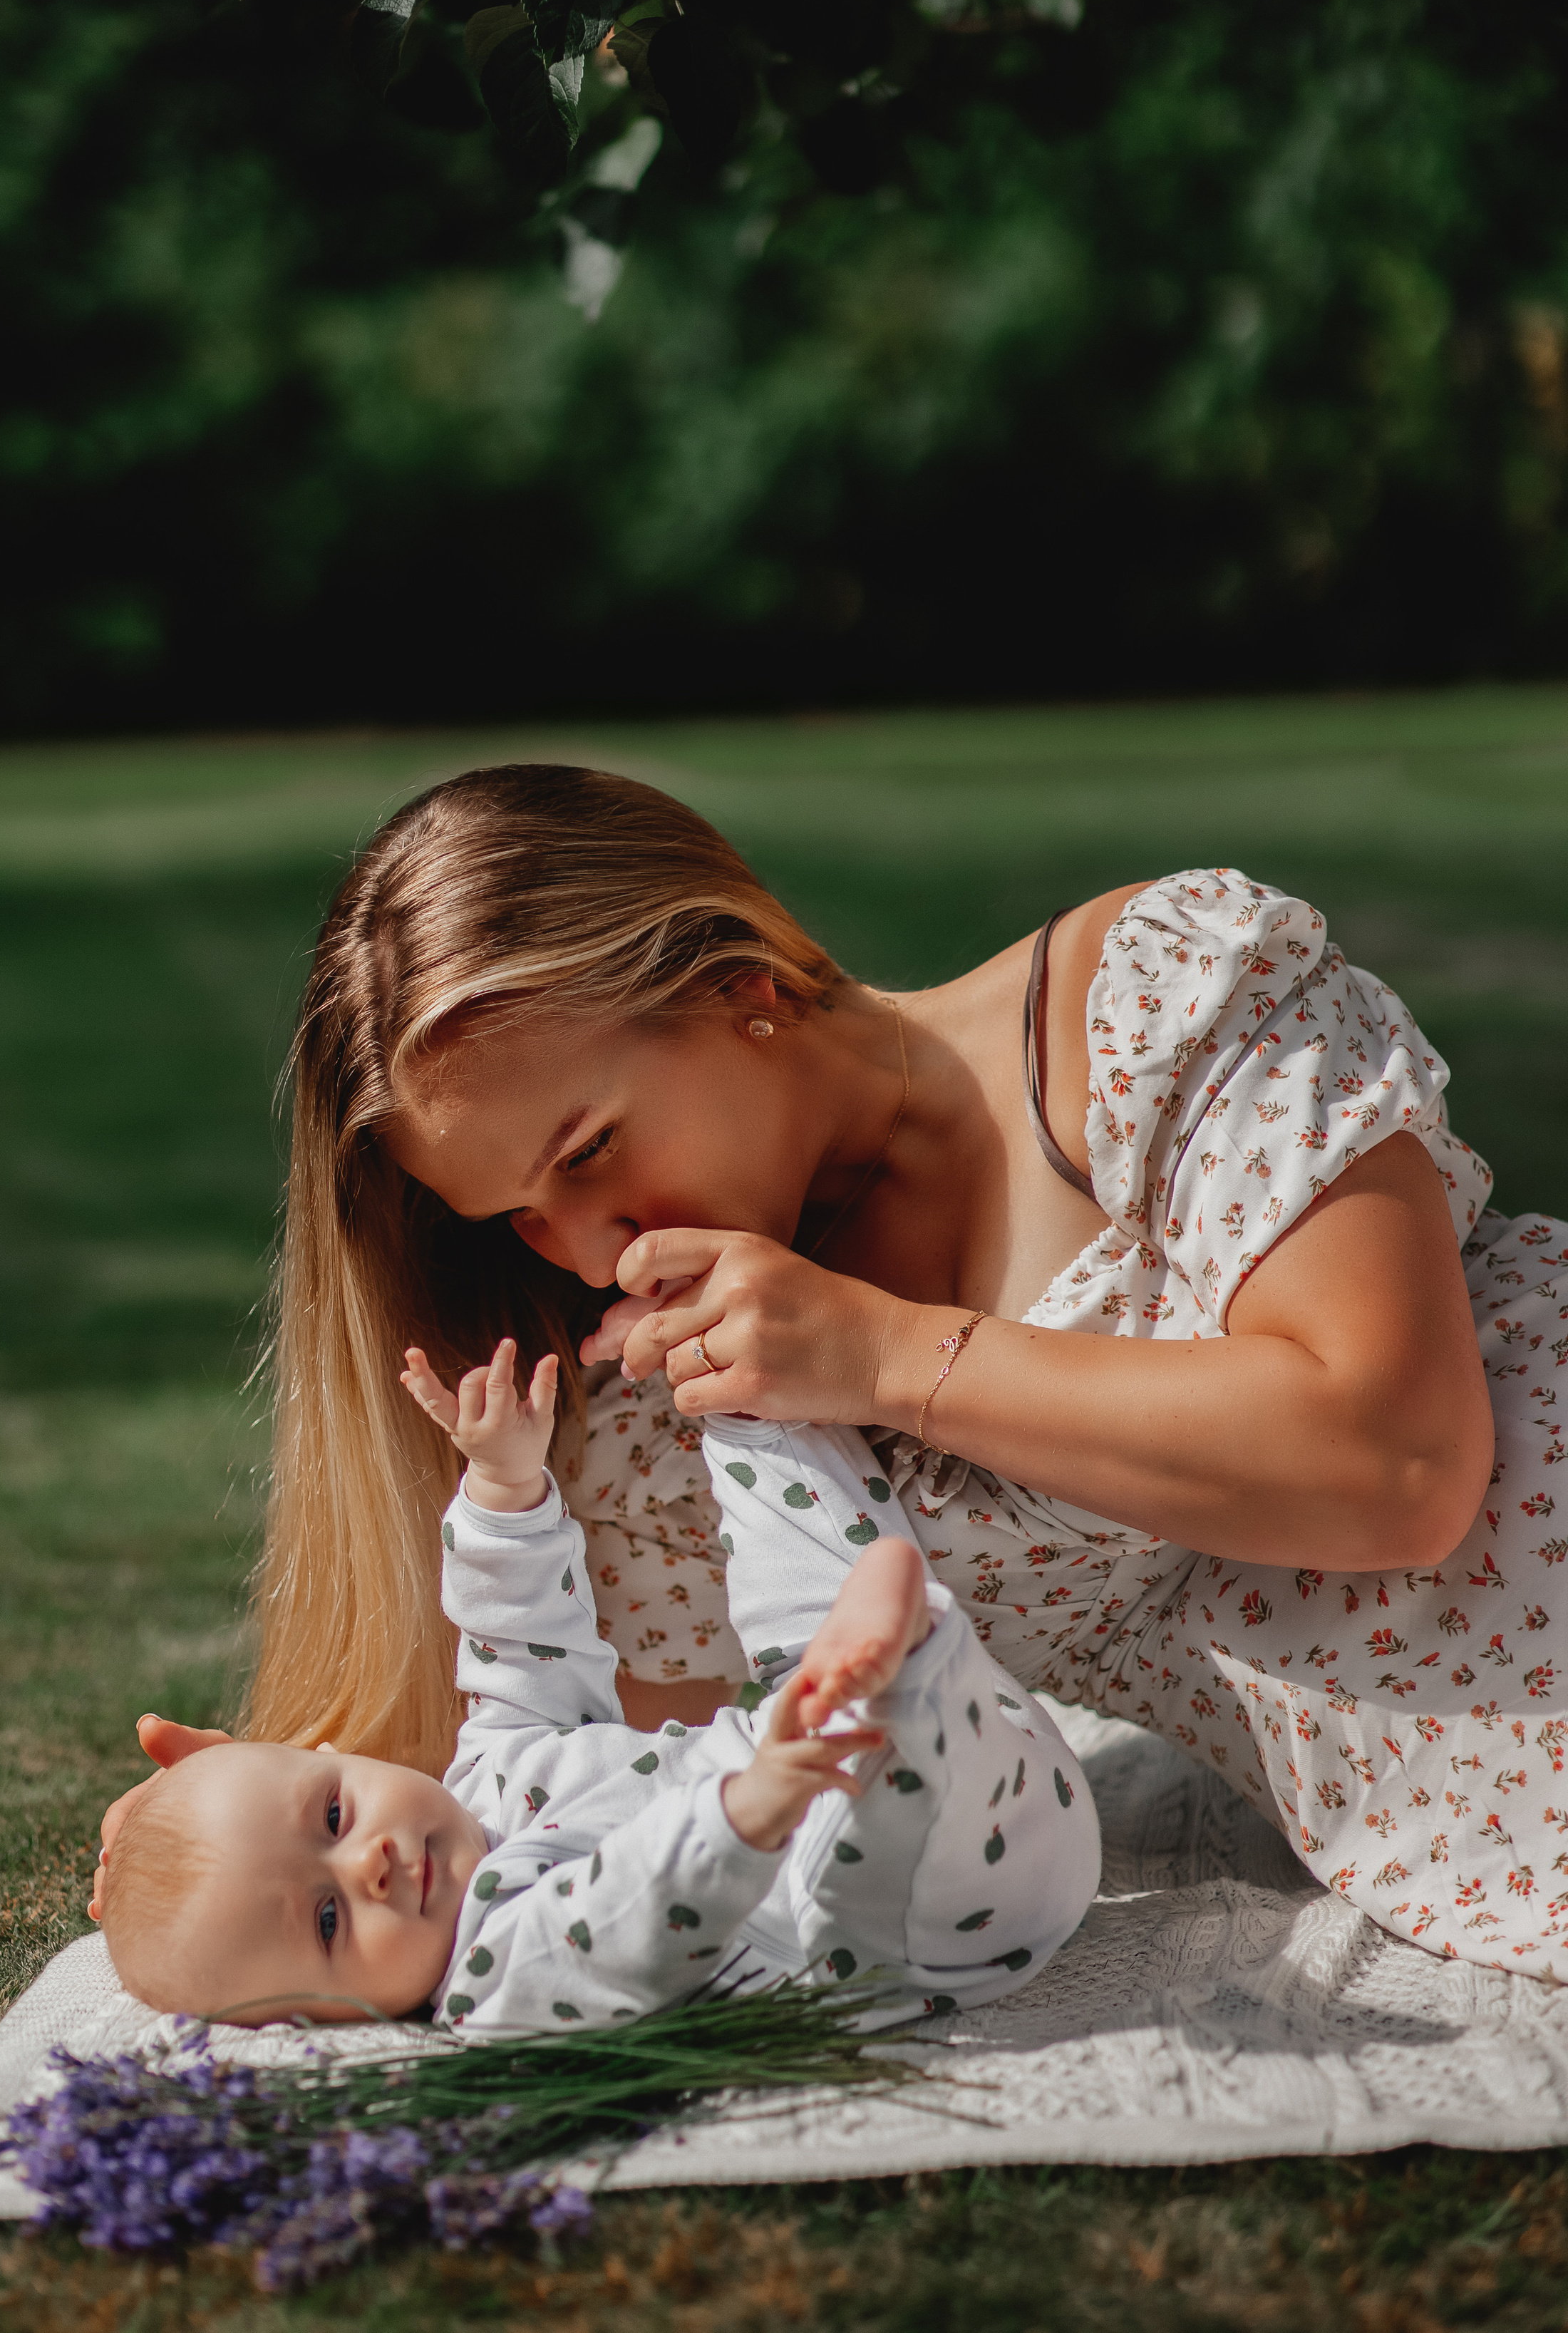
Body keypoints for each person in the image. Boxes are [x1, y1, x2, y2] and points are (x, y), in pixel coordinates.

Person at [114, 763, 1568, 1980]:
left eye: (587, 1154)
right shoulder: (677, 1411)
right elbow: (609, 1825)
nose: (584, 1253)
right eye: (518, 1220)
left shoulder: (1143, 1004)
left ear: (740, 984)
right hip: (1461, 1810)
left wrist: (882, 1358)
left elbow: (1401, 1467)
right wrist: (252, 1819)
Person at [96, 1341, 1098, 2031]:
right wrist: (745, 1807)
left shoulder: (484, 1780)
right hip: (918, 1913)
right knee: (849, 1818)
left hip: (888, 1765)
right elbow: (634, 1911)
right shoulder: (496, 1978)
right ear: (319, 2022)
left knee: (764, 1462)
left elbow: (520, 1650)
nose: (372, 1866)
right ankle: (905, 1664)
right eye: (327, 1923)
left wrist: (504, 1489)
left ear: (334, 1762)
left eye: (332, 1814)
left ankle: (752, 1397)